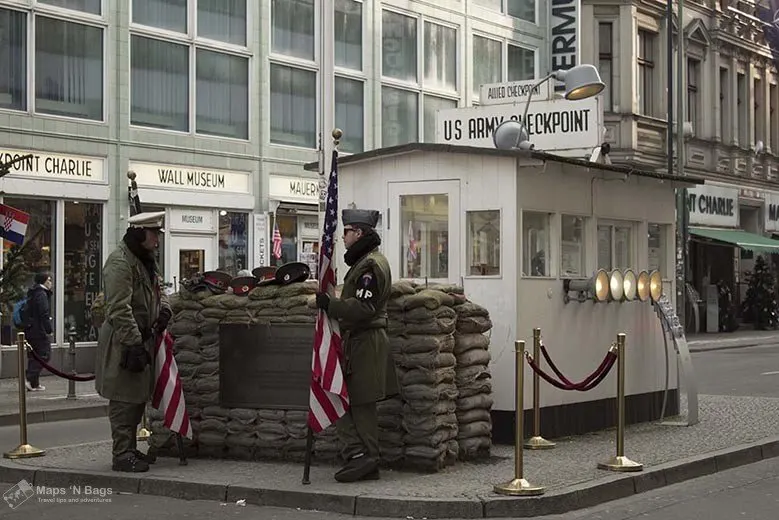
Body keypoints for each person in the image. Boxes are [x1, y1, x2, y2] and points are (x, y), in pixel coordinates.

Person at [315, 209, 399, 483]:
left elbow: (366, 307)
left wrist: (332, 304)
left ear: (360, 233)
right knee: (347, 398)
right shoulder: (363, 263)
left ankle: (367, 458)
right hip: (358, 341)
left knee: (361, 403)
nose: (344, 237)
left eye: (348, 231)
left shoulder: (371, 266)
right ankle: (358, 455)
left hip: (366, 341)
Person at [95, 211, 172, 473]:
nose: (157, 241)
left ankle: (129, 449)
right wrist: (133, 343)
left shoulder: (144, 260)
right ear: (140, 235)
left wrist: (164, 311)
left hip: (142, 337)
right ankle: (121, 454)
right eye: (153, 235)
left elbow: (159, 289)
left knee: (138, 396)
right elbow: (118, 308)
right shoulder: (120, 262)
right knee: (123, 398)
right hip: (124, 342)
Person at [25, 272, 53, 392]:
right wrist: (49, 329)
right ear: (44, 281)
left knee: (34, 355)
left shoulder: (33, 292)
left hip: (30, 328)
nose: (51, 283)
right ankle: (30, 379)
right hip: (38, 330)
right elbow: (43, 313)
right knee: (44, 354)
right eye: (49, 280)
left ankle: (33, 383)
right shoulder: (41, 294)